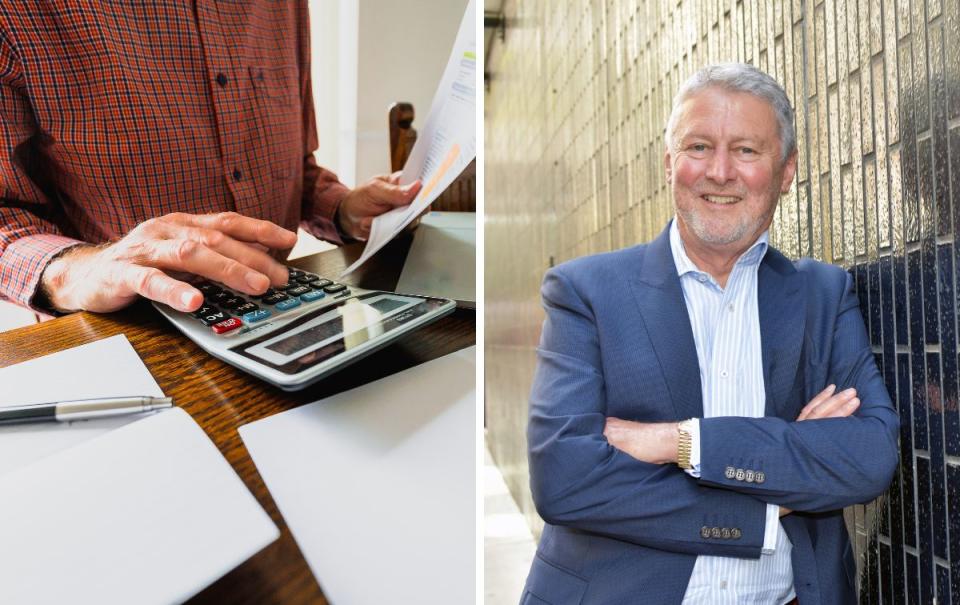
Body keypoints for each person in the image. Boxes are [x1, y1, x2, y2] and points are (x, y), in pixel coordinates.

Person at [521, 63, 899, 604]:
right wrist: (777, 492)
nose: (719, 172)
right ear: (670, 162)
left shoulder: (824, 295)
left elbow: (867, 459)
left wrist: (677, 442)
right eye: (699, 147)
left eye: (746, 151)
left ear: (786, 172)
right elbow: (564, 481)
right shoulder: (586, 292)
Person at [0, 3, 420, 316]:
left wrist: (343, 208)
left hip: (283, 315)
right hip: (126, 338)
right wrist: (77, 271)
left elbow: (297, 166)